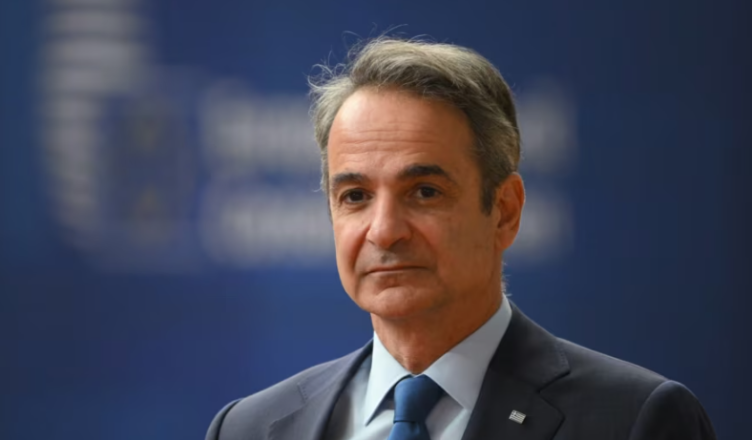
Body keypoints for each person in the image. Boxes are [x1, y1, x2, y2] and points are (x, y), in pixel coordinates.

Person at [205, 37, 716, 440]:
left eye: (424, 192)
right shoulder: (249, 429)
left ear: (505, 211)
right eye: (355, 196)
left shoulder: (634, 419)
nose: (384, 230)